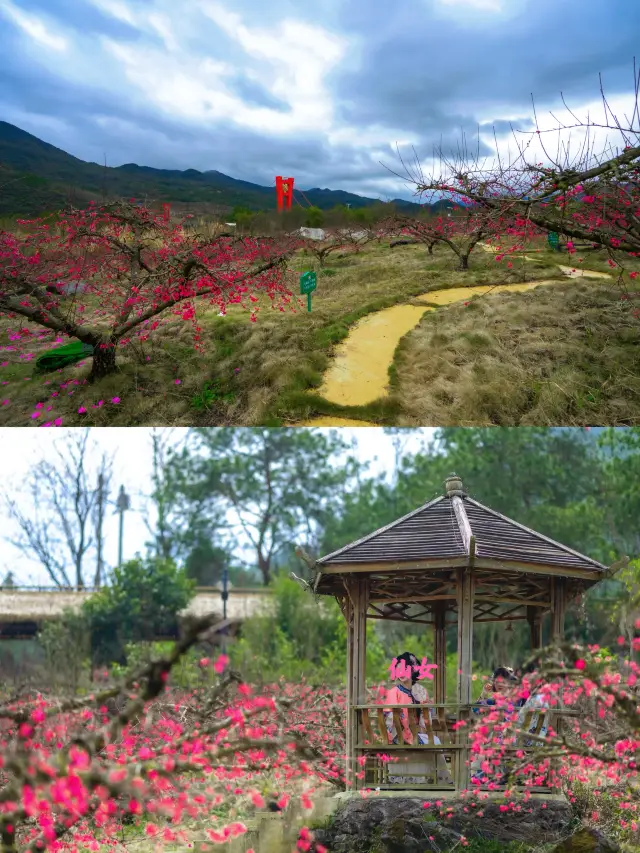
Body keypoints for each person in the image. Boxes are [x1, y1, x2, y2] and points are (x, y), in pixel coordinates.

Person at [383, 652, 451, 785]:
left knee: (434, 740)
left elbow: (425, 720)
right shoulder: (393, 692)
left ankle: (435, 779)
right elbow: (389, 719)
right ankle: (443, 780)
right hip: (398, 736)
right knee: (434, 741)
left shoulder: (420, 691)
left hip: (413, 734)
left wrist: (427, 708)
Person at [470, 665, 520, 787]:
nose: (500, 684)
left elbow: (476, 709)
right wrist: (484, 693)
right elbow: (476, 709)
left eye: (503, 682)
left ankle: (483, 776)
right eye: (497, 682)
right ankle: (483, 776)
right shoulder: (495, 698)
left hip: (509, 735)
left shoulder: (512, 698)